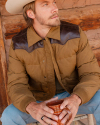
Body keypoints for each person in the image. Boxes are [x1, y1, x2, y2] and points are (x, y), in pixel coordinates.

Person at [1, 0, 100, 125]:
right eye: (46, 4)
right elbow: (16, 84)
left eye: (54, 2)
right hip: (39, 102)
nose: (55, 8)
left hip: (73, 96)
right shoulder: (19, 44)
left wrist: (76, 98)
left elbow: (91, 73)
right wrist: (31, 106)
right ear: (31, 13)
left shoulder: (75, 34)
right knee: (8, 116)